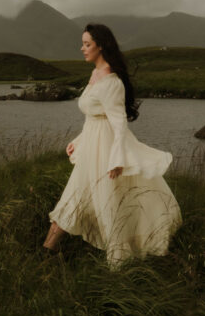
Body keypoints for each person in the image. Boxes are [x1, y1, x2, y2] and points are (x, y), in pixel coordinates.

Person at [44, 23, 182, 266]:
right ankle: (47, 253)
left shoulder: (111, 82)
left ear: (101, 46)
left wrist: (117, 159)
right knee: (73, 198)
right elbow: (94, 118)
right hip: (91, 148)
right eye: (83, 43)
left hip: (106, 152)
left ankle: (118, 262)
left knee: (109, 205)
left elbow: (118, 125)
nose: (82, 48)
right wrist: (77, 142)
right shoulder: (94, 75)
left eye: (87, 44)